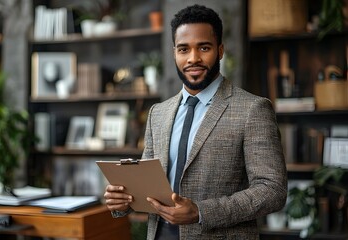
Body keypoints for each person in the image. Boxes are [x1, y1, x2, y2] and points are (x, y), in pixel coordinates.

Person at [104, 4, 287, 240]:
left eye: (204, 47)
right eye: (184, 49)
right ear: (174, 53)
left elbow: (272, 191)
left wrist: (201, 212)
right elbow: (148, 186)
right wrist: (123, 201)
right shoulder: (157, 113)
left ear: (220, 50)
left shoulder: (253, 109)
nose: (193, 58)